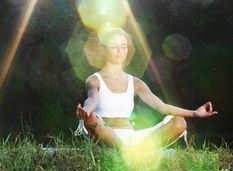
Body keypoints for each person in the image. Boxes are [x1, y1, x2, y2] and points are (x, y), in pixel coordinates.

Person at [76, 28, 218, 148]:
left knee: (179, 122)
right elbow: (92, 99)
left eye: (123, 46)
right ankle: (130, 153)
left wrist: (195, 113)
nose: (120, 51)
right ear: (104, 49)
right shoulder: (94, 79)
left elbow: (162, 107)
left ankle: (132, 152)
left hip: (131, 138)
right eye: (114, 46)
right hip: (105, 134)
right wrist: (86, 111)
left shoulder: (135, 82)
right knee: (91, 119)